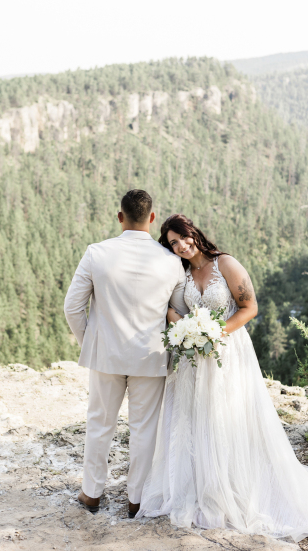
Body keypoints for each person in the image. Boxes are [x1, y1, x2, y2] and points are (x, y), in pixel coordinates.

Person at [137, 213, 308, 542]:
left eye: (183, 237)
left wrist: (214, 333)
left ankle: (237, 488)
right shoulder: (180, 272)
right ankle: (200, 488)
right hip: (194, 359)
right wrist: (186, 328)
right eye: (173, 243)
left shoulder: (224, 264)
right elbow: (172, 310)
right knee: (195, 421)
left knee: (226, 420)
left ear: (194, 233)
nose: (181, 246)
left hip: (227, 353)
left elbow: (249, 307)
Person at [64, 191, 188, 517]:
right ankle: (137, 500)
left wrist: (89, 342)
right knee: (144, 430)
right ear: (151, 218)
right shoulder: (172, 262)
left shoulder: (96, 253)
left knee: (99, 424)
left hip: (105, 354)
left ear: (120, 217)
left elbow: (72, 307)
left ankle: (91, 494)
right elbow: (178, 312)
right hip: (151, 356)